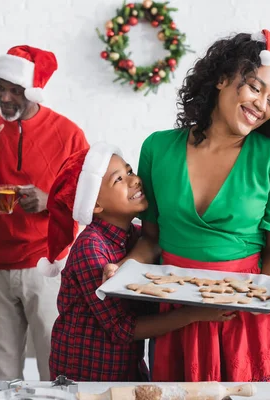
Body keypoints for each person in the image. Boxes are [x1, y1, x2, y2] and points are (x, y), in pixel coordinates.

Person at [105, 30, 270, 382]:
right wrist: (122, 269)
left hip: (243, 313)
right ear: (222, 78)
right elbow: (151, 240)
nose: (261, 106)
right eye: (255, 87)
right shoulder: (158, 148)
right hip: (176, 310)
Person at [39, 142, 235, 381]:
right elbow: (121, 329)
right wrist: (194, 314)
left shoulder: (137, 237)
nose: (134, 180)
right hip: (84, 377)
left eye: (130, 171)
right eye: (118, 180)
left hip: (125, 369)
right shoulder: (91, 246)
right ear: (96, 204)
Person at [0, 45, 89, 381]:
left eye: (14, 90)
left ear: (33, 91)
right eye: (0, 87)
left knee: (54, 367)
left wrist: (51, 201)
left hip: (46, 268)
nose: (5, 97)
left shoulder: (69, 135)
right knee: (3, 373)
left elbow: (90, 203)